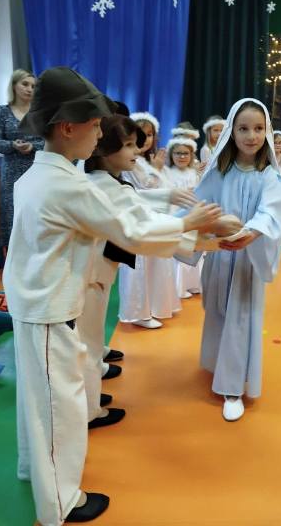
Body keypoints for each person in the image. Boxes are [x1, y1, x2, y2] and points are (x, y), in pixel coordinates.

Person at [2, 67, 221, 526]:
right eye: (95, 125)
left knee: (38, 402)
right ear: (67, 127)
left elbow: (124, 213)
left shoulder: (41, 176)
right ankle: (60, 502)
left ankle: (31, 469)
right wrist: (190, 224)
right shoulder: (64, 184)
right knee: (60, 408)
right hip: (49, 307)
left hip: (35, 303)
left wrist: (191, 234)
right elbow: (129, 229)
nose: (101, 134)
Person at [79, 114, 199, 427]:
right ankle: (88, 410)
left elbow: (135, 200)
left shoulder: (107, 180)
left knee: (91, 341)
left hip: (96, 273)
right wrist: (191, 225)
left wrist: (172, 202)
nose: (136, 150)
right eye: (129, 144)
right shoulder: (100, 185)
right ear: (103, 148)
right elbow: (138, 225)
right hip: (87, 276)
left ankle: (90, 398)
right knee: (87, 344)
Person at [190, 99, 281, 422]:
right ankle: (217, 365)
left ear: (267, 131)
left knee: (240, 319)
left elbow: (272, 213)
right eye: (243, 128)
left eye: (259, 128)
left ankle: (233, 387)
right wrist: (192, 227)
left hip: (247, 262)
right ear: (231, 132)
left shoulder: (269, 176)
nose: (251, 136)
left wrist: (251, 233)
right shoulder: (219, 173)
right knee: (218, 312)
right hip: (221, 258)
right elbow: (198, 206)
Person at [119, 112, 182, 328]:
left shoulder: (148, 160)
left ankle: (154, 306)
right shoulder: (132, 161)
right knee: (139, 266)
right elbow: (143, 188)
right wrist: (156, 169)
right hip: (139, 219)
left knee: (156, 264)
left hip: (154, 218)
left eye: (148, 135)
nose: (144, 139)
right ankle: (138, 312)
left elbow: (164, 185)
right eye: (139, 135)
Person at [0, 69, 43, 248]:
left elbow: (49, 141)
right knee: (11, 216)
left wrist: (32, 146)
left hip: (37, 170)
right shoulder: (2, 111)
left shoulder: (39, 113)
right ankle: (12, 258)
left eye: (33, 86)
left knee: (36, 214)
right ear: (14, 85)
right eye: (25, 84)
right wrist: (13, 145)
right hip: (11, 173)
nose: (29, 89)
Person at [167, 136, 203, 298]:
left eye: (185, 153)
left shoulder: (194, 173)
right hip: (176, 216)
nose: (182, 156)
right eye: (178, 153)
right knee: (179, 252)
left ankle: (193, 284)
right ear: (171, 155)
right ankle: (179, 287)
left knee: (194, 250)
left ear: (191, 155)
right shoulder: (167, 173)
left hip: (193, 215)